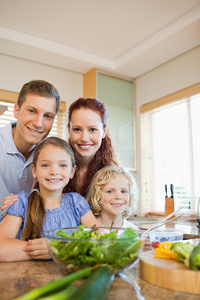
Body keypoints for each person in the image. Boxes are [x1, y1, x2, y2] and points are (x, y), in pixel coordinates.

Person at [0, 137, 99, 262]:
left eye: (62, 165)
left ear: (72, 171)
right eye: (45, 165)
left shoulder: (76, 203)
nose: (54, 171)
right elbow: (1, 248)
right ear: (34, 171)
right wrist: (43, 250)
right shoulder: (21, 203)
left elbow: (101, 238)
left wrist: (57, 248)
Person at [0, 80, 60, 215]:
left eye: (47, 116)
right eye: (32, 111)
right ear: (16, 110)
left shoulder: (51, 156)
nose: (39, 123)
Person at [65, 97, 118, 197]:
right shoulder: (56, 169)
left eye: (92, 129)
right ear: (69, 130)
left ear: (104, 132)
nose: (84, 138)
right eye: (77, 129)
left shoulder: (113, 176)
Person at [86, 165, 138, 231]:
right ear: (97, 195)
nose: (118, 197)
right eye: (110, 191)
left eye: (123, 191)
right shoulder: (87, 230)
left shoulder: (134, 231)